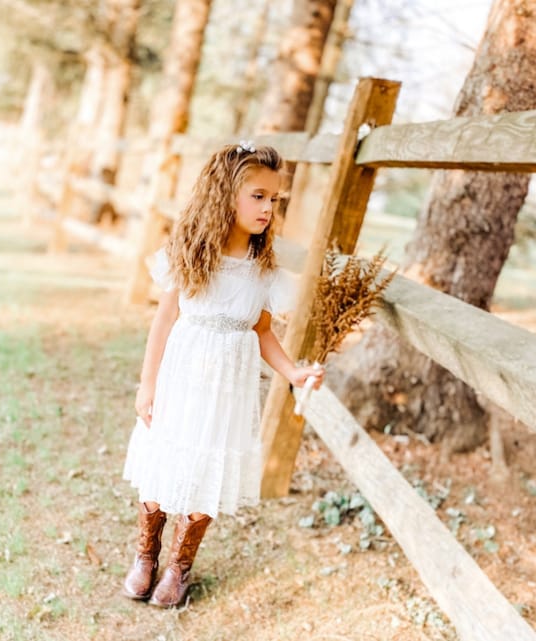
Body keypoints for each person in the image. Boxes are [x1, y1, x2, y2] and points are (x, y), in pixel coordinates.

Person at [122, 141, 324, 608]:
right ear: (224, 194)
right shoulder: (190, 254)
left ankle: (178, 566)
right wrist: (147, 384)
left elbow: (263, 332)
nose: (268, 208)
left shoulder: (264, 271)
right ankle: (146, 555)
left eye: (274, 199)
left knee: (205, 466)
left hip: (228, 387)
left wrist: (293, 372)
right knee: (164, 461)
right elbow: (164, 320)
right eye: (257, 196)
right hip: (181, 375)